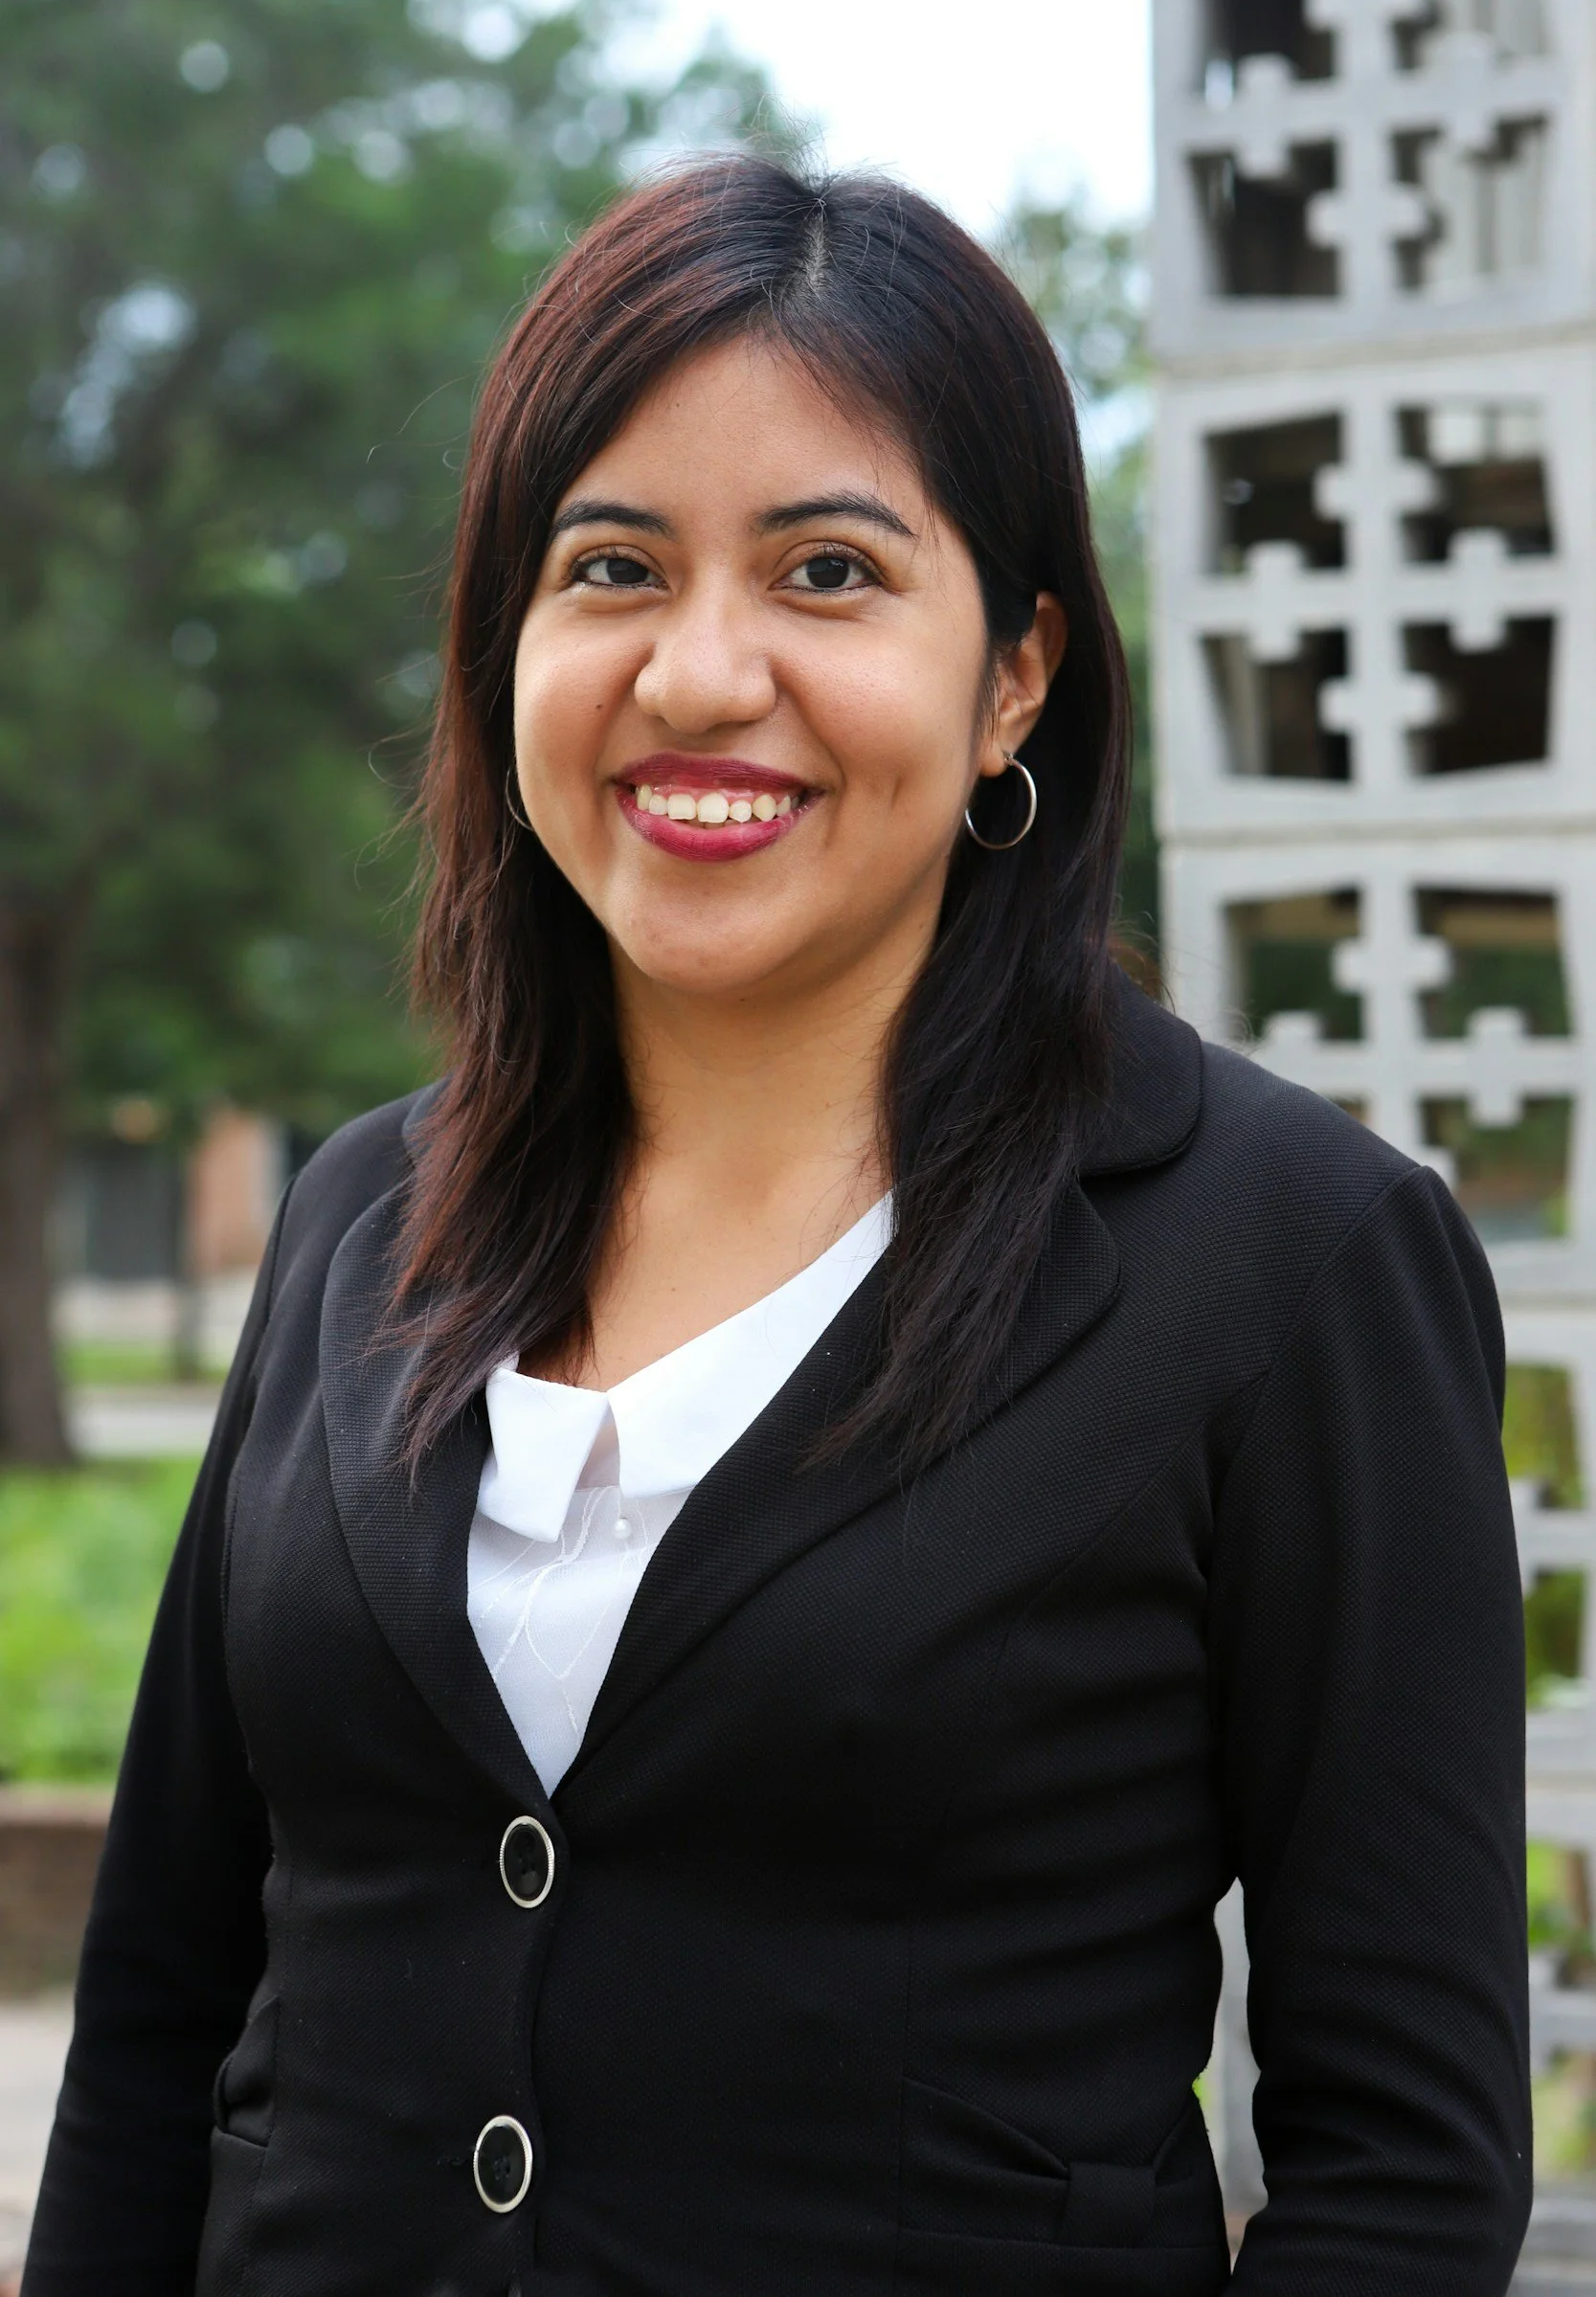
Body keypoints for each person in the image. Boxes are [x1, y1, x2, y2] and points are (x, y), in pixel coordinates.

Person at [24, 157, 1530, 2297]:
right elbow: (165, 2004)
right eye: (611, 566)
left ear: (1013, 673)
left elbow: (1401, 2163)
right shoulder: (361, 1218)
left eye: (827, 571)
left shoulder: (1283, 1260)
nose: (699, 672)